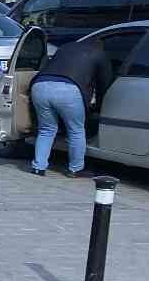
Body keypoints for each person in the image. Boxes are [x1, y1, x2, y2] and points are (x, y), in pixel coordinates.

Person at [28, 36, 113, 177]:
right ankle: (75, 169)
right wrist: (99, 106)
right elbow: (104, 83)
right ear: (100, 46)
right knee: (76, 130)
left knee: (46, 129)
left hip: (40, 85)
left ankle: (38, 167)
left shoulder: (66, 47)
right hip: (69, 89)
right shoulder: (99, 53)